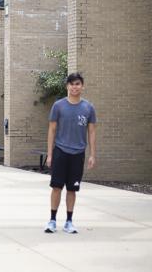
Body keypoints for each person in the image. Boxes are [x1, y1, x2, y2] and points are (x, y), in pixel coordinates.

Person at [44, 72, 96, 234]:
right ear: (67, 86)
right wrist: (50, 154)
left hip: (78, 153)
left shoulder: (88, 107)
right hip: (60, 151)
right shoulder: (58, 106)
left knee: (72, 189)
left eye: (78, 84)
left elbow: (92, 132)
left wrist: (92, 154)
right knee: (57, 187)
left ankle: (69, 222)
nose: (75, 87)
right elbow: (52, 130)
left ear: (82, 86)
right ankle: (52, 220)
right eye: (72, 84)